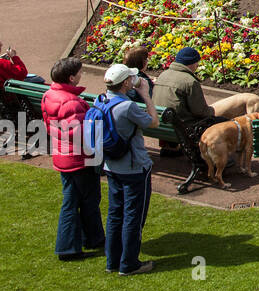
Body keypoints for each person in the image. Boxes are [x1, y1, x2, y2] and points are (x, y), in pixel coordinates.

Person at [41, 57, 104, 261]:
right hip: (79, 159)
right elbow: (81, 135)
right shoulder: (71, 102)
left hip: (64, 156)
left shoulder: (50, 94)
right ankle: (68, 248)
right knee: (77, 202)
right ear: (71, 77)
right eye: (79, 73)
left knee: (82, 200)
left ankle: (93, 239)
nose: (81, 75)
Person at [98, 63, 158, 275]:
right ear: (125, 83)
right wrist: (145, 95)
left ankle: (112, 261)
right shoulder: (128, 107)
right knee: (133, 215)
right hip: (134, 168)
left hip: (111, 165)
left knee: (115, 213)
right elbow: (153, 122)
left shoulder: (100, 100)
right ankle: (129, 263)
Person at [152, 46, 225, 143]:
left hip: (162, 124)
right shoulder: (190, 81)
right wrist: (212, 110)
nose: (197, 66)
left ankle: (169, 148)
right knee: (224, 123)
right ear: (191, 63)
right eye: (197, 64)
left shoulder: (163, 75)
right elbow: (200, 111)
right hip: (182, 128)